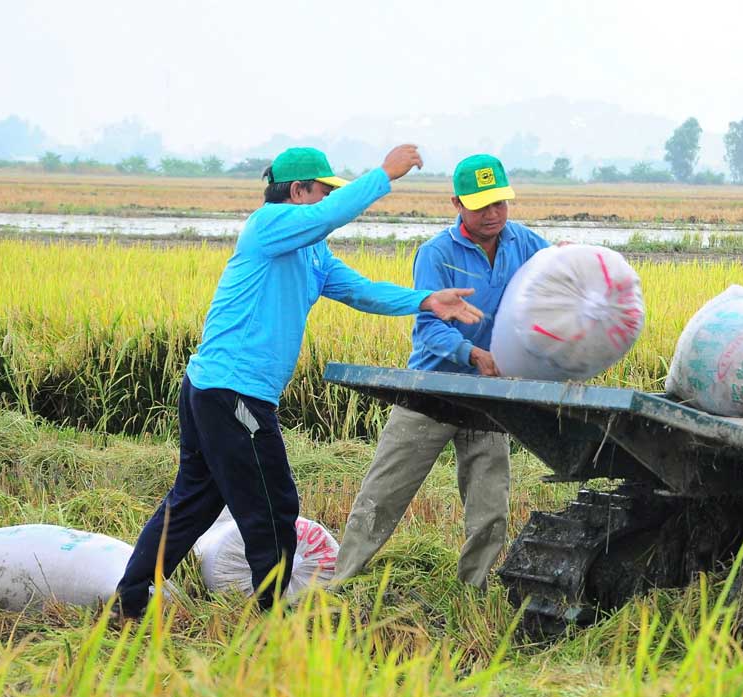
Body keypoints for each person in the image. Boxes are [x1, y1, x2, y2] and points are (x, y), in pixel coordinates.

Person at [115, 145, 483, 619]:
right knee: (272, 504)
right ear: (297, 191)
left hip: (217, 390)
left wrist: (427, 300)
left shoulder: (312, 252)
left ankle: (130, 596)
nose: (328, 197)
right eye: (323, 190)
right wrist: (384, 175)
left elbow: (360, 291)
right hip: (232, 392)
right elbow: (330, 215)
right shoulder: (268, 225)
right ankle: (272, 614)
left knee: (196, 501)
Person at [333, 154, 549, 588]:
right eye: (482, 205)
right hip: (431, 390)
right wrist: (471, 354)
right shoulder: (436, 254)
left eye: (500, 204)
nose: (493, 215)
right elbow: (429, 328)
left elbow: (556, 282)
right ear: (456, 203)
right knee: (383, 494)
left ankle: (474, 590)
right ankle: (340, 584)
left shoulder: (525, 244)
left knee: (490, 504)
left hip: (489, 395)